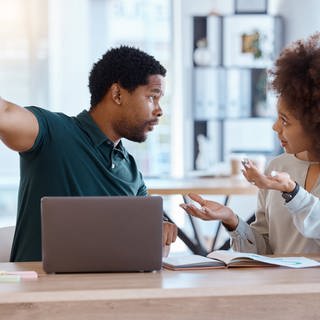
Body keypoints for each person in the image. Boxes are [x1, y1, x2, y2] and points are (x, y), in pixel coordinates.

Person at [0, 46, 177, 262]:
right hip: (40, 292)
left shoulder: (129, 169)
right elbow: (5, 113)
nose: (159, 110)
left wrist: (161, 230)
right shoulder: (53, 133)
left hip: (108, 291)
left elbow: (148, 229)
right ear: (117, 94)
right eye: (152, 97)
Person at [180, 33, 320, 255]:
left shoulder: (283, 181)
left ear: (315, 123)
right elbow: (263, 250)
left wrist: (292, 192)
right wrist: (231, 219)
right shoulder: (278, 167)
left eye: (285, 120)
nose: (275, 128)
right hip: (278, 288)